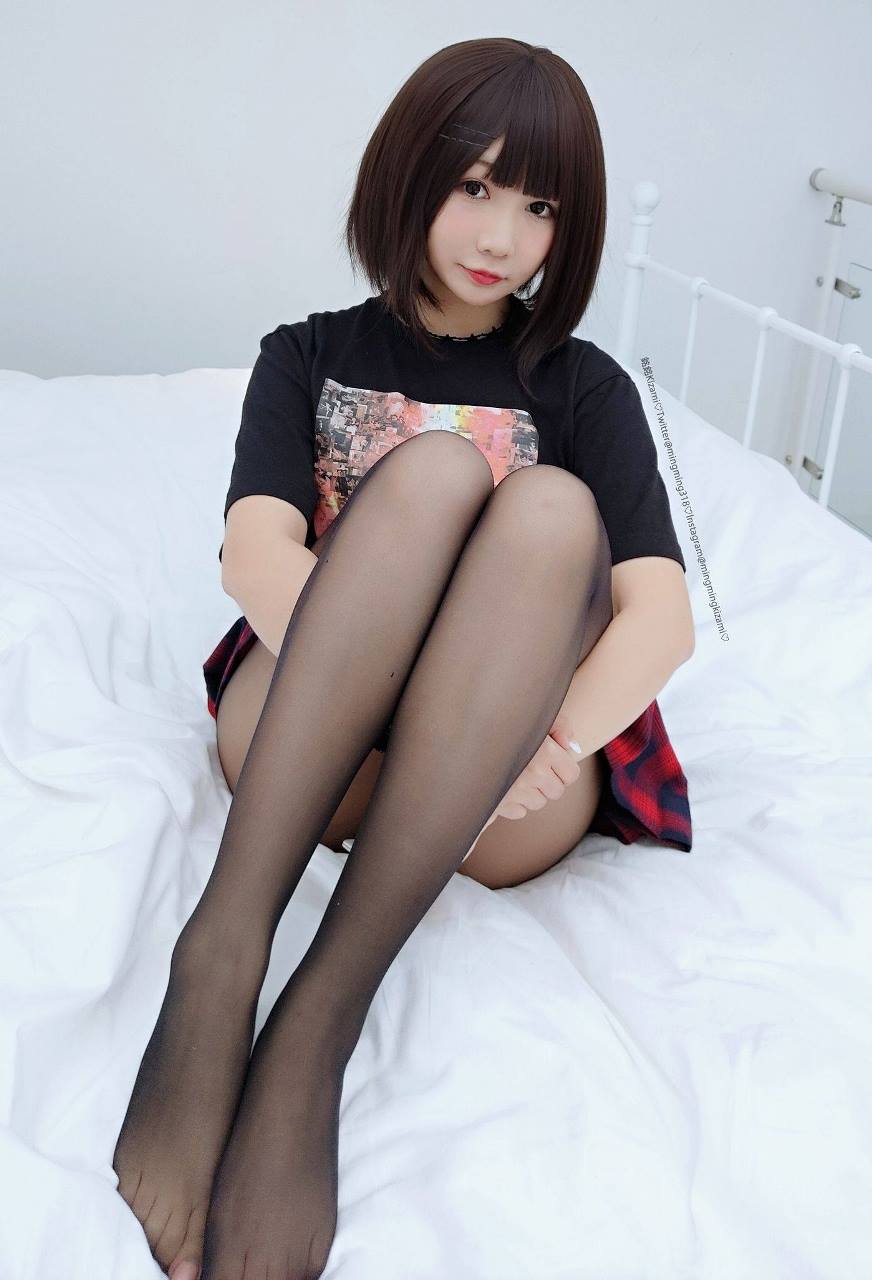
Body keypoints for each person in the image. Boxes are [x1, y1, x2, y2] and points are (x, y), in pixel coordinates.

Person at [112, 36, 695, 1280]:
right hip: (307, 739)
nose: (501, 235)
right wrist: (362, 685)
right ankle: (223, 950)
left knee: (553, 511)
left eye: (540, 207)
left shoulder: (585, 386)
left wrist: (551, 738)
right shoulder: (308, 351)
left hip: (489, 788)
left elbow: (660, 617)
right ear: (412, 173)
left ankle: (321, 1016)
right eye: (475, 185)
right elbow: (254, 551)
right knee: (431, 472)